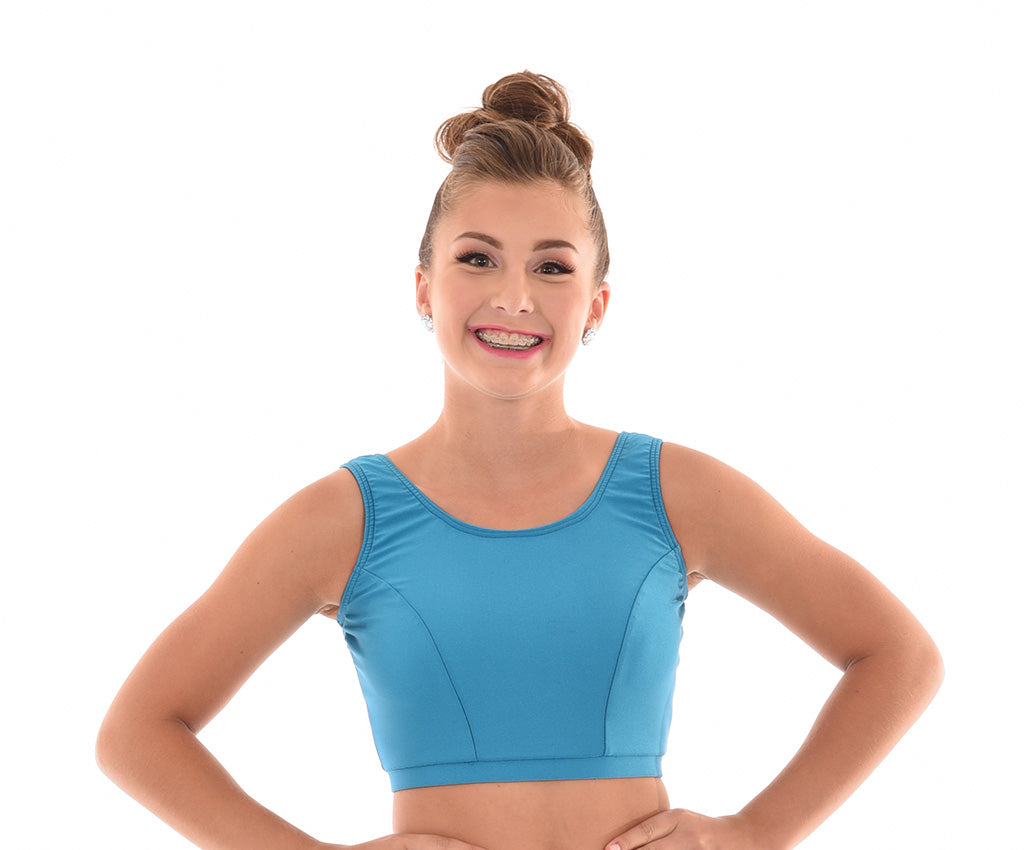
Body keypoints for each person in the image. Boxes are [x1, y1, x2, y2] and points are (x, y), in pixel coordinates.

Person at [96, 70, 943, 850]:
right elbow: (137, 734)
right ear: (423, 287)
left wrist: (754, 833)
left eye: (552, 266)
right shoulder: (344, 518)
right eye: (477, 258)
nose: (513, 296)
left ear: (596, 305)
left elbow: (899, 657)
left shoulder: (676, 493)